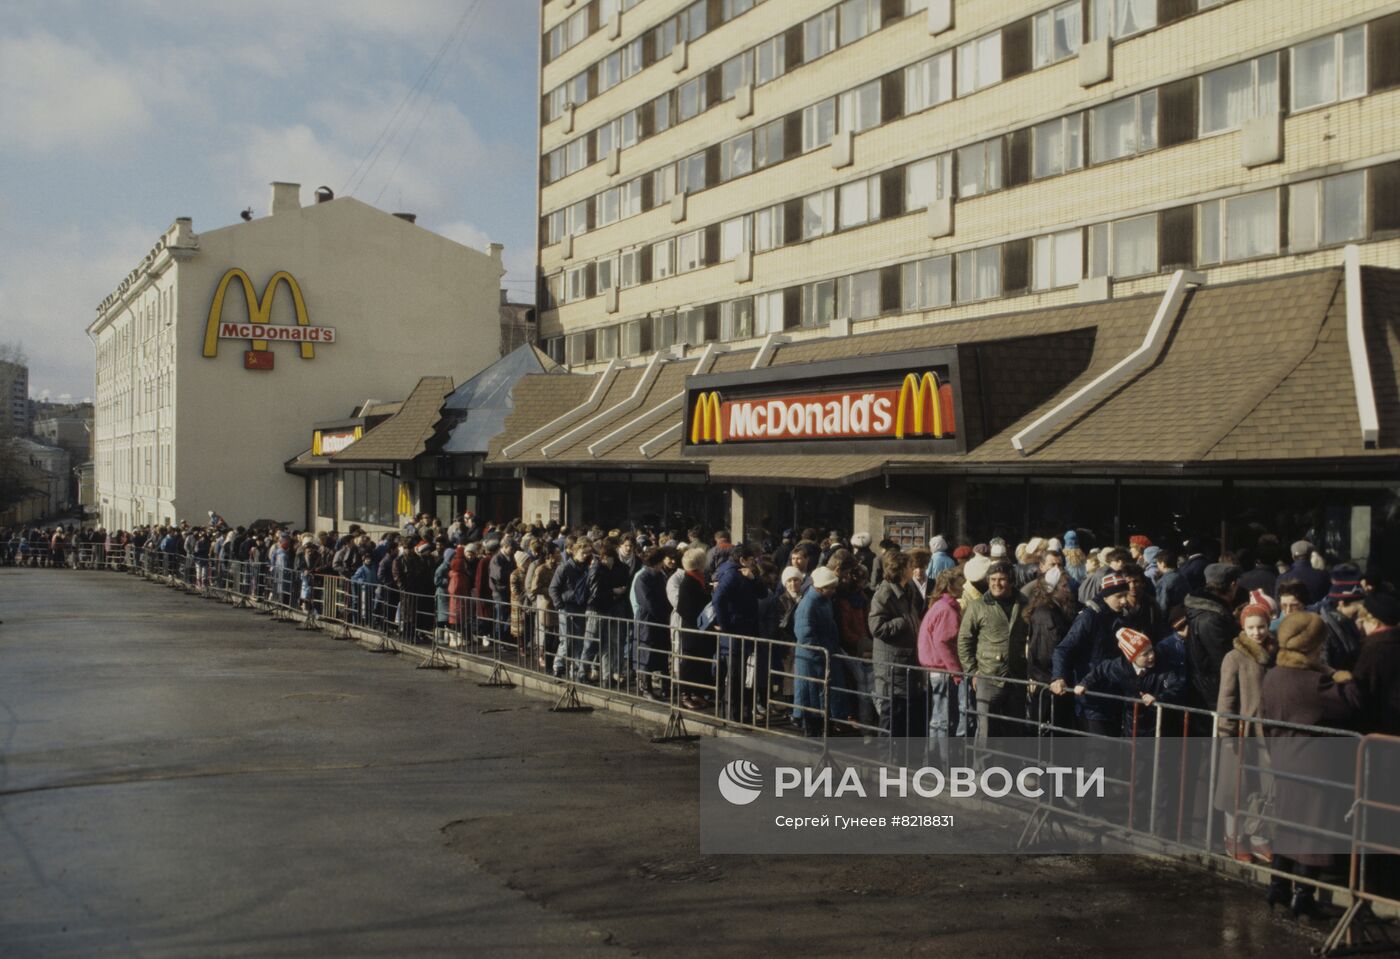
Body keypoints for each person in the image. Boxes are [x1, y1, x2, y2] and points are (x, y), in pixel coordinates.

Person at [1258, 612, 1363, 919]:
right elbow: (1353, 702)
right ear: (1315, 645)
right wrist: (1344, 676)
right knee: (1313, 831)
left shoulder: (1273, 675)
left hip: (1282, 758)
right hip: (1313, 766)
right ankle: (1303, 896)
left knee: (1288, 824)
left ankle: (1277, 887)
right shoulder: (1315, 682)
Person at [1213, 593, 1278, 863]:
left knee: (1266, 788)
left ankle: (1259, 836)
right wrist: (1226, 733)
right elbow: (1226, 698)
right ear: (1243, 628)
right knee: (1235, 790)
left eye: (1261, 626)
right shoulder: (1234, 657)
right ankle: (1234, 837)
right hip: (1242, 732)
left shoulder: (1275, 653)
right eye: (1251, 627)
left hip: (1268, 731)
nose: (1257, 632)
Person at [1051, 572, 1134, 736]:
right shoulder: (1089, 617)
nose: (1124, 601)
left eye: (1126, 595)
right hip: (1091, 695)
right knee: (1097, 751)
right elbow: (1064, 648)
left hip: (1115, 693)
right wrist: (1058, 676)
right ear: (1106, 596)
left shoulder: (1121, 616)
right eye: (1119, 596)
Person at [958, 562, 1030, 747]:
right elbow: (964, 640)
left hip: (1016, 676)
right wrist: (972, 670)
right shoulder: (978, 606)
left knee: (1015, 728)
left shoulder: (1024, 603)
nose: (997, 584)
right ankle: (983, 771)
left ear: (1011, 581)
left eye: (1002, 579)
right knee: (987, 729)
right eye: (993, 580)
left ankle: (1012, 770)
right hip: (988, 675)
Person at [1074, 627, 1188, 737]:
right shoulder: (1120, 666)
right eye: (1145, 654)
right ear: (1131, 658)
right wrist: (1084, 683)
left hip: (1160, 727)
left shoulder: (1163, 665)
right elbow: (1100, 671)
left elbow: (1176, 686)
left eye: (1151, 650)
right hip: (1132, 727)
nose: (1152, 655)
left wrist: (1158, 698)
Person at [868, 550, 925, 739]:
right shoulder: (884, 593)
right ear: (901, 569)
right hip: (892, 662)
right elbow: (876, 627)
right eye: (910, 566)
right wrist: (903, 621)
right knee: (891, 713)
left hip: (907, 659)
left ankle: (901, 756)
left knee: (905, 713)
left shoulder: (909, 589)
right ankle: (885, 759)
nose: (914, 569)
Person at [713, 544, 764, 722]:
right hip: (736, 631)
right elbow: (718, 599)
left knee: (737, 674)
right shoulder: (732, 575)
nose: (754, 563)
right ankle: (732, 715)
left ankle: (735, 713)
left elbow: (762, 593)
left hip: (741, 630)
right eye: (752, 560)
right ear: (743, 560)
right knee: (735, 675)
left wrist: (753, 578)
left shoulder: (742, 574)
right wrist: (725, 625)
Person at [1183, 563, 1242, 719]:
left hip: (1207, 687)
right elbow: (1222, 659)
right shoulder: (1211, 618)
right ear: (1233, 585)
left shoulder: (1211, 611)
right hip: (1212, 691)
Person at [1026, 566, 1076, 734]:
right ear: (1052, 590)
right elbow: (1045, 653)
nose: (1068, 590)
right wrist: (1055, 677)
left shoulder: (1057, 610)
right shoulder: (1045, 614)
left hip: (1054, 680)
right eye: (1063, 586)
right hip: (1049, 683)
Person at [793, 567, 842, 737]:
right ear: (821, 588)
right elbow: (805, 635)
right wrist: (822, 655)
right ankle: (812, 733)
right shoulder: (809, 605)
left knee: (820, 697)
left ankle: (822, 731)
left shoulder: (822, 600)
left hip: (820, 656)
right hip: (812, 659)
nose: (833, 591)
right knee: (811, 697)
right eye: (831, 588)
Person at [633, 546, 677, 700]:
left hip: (659, 620)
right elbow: (647, 601)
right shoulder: (643, 577)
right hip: (648, 621)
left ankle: (666, 688)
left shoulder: (660, 576)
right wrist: (662, 612)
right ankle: (646, 688)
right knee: (646, 654)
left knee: (662, 654)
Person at [674, 546, 713, 710]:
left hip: (702, 628)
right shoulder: (688, 582)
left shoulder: (700, 579)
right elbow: (684, 608)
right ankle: (685, 694)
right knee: (689, 662)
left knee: (701, 662)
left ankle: (697, 692)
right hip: (692, 628)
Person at [1315, 564, 1365, 671]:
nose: (1360, 617)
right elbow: (1323, 668)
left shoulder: (1345, 621)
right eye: (1356, 612)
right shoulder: (1323, 629)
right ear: (1341, 603)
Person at [1275, 540, 1331, 605]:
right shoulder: (1324, 575)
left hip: (1292, 614)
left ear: (1293, 556)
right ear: (1310, 556)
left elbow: (1278, 605)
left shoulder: (1282, 577)